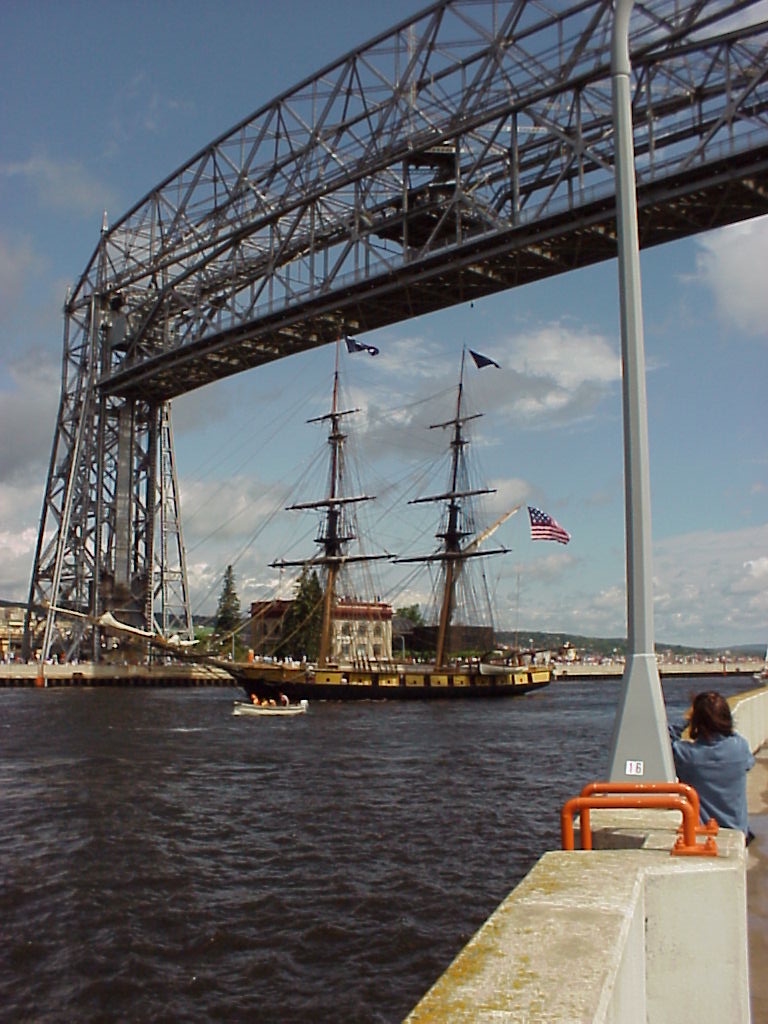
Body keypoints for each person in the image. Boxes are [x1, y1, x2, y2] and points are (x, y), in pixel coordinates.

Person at [668, 690, 755, 842]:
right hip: (737, 832)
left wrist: (686, 719)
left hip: (704, 833)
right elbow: (748, 761)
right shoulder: (740, 747)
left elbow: (665, 738)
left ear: (697, 721)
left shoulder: (686, 755)